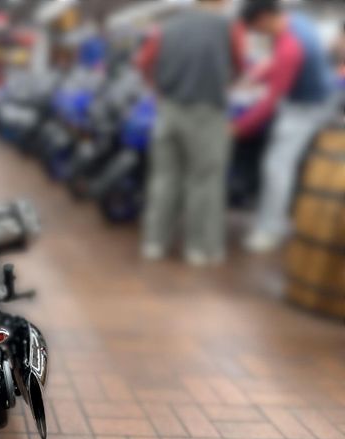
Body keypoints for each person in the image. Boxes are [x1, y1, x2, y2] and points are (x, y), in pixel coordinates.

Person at [137, 0, 245, 266]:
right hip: (207, 111)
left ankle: (155, 243)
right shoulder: (228, 27)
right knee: (204, 181)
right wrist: (225, 81)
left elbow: (143, 61)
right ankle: (199, 248)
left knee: (164, 179)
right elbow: (240, 64)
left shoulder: (166, 26)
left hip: (168, 109)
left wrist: (159, 89)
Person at [235, 0, 334, 253]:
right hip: (317, 98)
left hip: (307, 108)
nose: (258, 34)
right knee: (280, 162)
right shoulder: (296, 21)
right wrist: (256, 76)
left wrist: (240, 127)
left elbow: (272, 101)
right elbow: (276, 65)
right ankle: (275, 220)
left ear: (265, 17)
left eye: (256, 29)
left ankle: (271, 230)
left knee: (276, 165)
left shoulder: (291, 45)